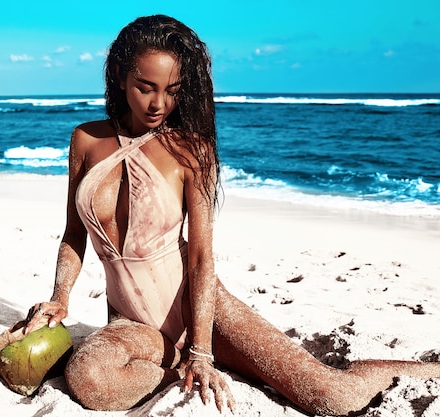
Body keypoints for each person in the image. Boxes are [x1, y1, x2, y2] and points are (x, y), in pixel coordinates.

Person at [23, 14, 439, 415]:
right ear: (119, 77)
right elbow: (74, 232)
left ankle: (421, 370)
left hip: (204, 309)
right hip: (134, 323)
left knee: (331, 396)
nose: (158, 103)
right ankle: (176, 370)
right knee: (90, 378)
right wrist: (60, 298)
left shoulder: (191, 151)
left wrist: (202, 350)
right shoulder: (87, 139)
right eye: (145, 87)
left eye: (172, 90)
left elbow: (201, 256)